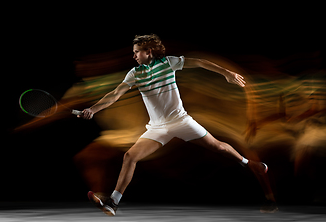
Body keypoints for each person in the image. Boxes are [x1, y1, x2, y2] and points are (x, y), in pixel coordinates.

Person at [80, 34, 271, 216]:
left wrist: (226, 73)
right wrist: (93, 109)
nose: (134, 55)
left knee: (219, 146)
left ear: (149, 51)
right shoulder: (134, 73)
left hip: (181, 121)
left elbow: (199, 62)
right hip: (157, 127)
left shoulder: (168, 62)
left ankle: (249, 164)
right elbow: (115, 94)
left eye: (137, 51)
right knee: (130, 156)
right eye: (134, 52)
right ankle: (113, 202)